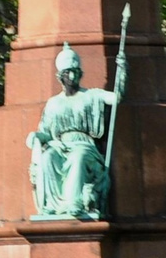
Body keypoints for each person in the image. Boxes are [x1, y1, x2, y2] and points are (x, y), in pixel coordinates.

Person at [27, 42, 126, 218]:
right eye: (68, 72)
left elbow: (116, 97)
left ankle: (74, 203)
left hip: (84, 145)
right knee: (48, 156)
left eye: (75, 72)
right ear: (60, 76)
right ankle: (51, 205)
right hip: (60, 144)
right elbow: (46, 132)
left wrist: (122, 72)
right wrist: (35, 136)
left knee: (77, 157)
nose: (72, 76)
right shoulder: (53, 103)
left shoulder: (91, 95)